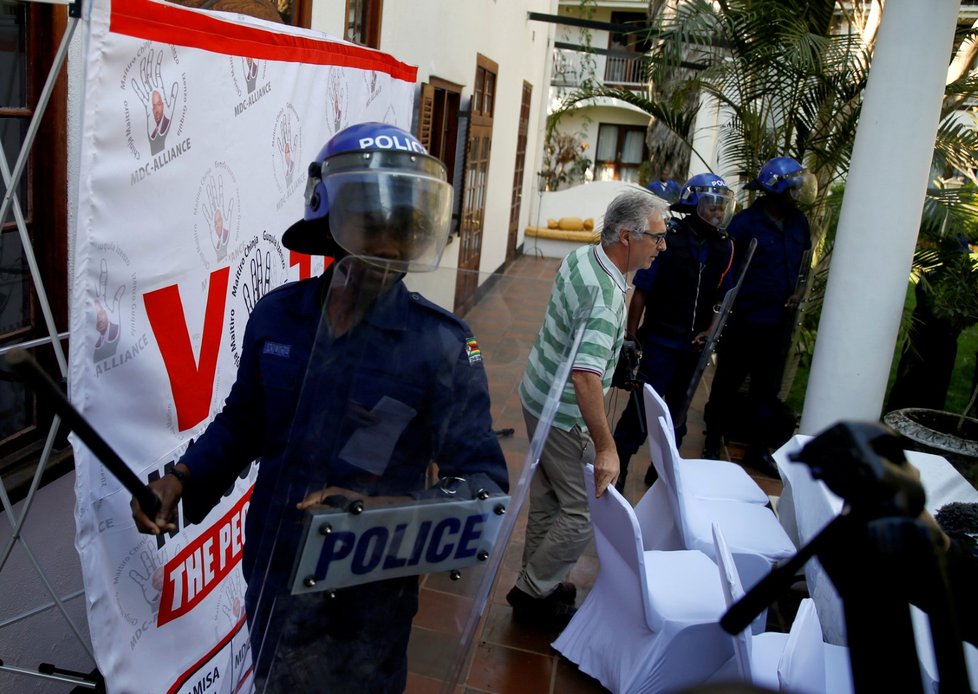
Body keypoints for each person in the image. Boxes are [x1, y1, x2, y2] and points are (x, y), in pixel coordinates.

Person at [131, 122, 509, 692]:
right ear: (330, 216)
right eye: (376, 217)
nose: (393, 234)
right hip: (274, 565)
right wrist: (182, 479)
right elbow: (243, 423)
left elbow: (481, 485)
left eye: (406, 220)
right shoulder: (278, 317)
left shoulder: (443, 348)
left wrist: (373, 511)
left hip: (370, 590)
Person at [507, 190, 669, 628]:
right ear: (626, 235)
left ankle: (537, 578)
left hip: (536, 393)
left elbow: (580, 347)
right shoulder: (606, 298)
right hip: (563, 413)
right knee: (582, 511)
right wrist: (605, 447)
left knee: (548, 495)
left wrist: (610, 356)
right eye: (657, 237)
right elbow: (584, 376)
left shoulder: (584, 257)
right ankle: (532, 591)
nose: (663, 245)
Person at [612, 173, 735, 490]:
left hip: (693, 348)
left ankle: (660, 475)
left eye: (722, 207)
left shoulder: (725, 247)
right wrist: (631, 333)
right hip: (660, 341)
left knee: (677, 417)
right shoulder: (669, 239)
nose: (718, 213)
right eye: (712, 206)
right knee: (639, 410)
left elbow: (722, 296)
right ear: (695, 204)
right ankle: (620, 464)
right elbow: (642, 290)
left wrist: (711, 329)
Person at [702, 156, 816, 475]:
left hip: (779, 323)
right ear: (776, 189)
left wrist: (797, 291)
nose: (796, 194)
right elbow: (727, 271)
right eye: (792, 188)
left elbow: (802, 264)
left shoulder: (798, 223)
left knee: (766, 390)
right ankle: (712, 439)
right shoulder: (745, 223)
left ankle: (757, 448)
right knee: (727, 383)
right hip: (745, 320)